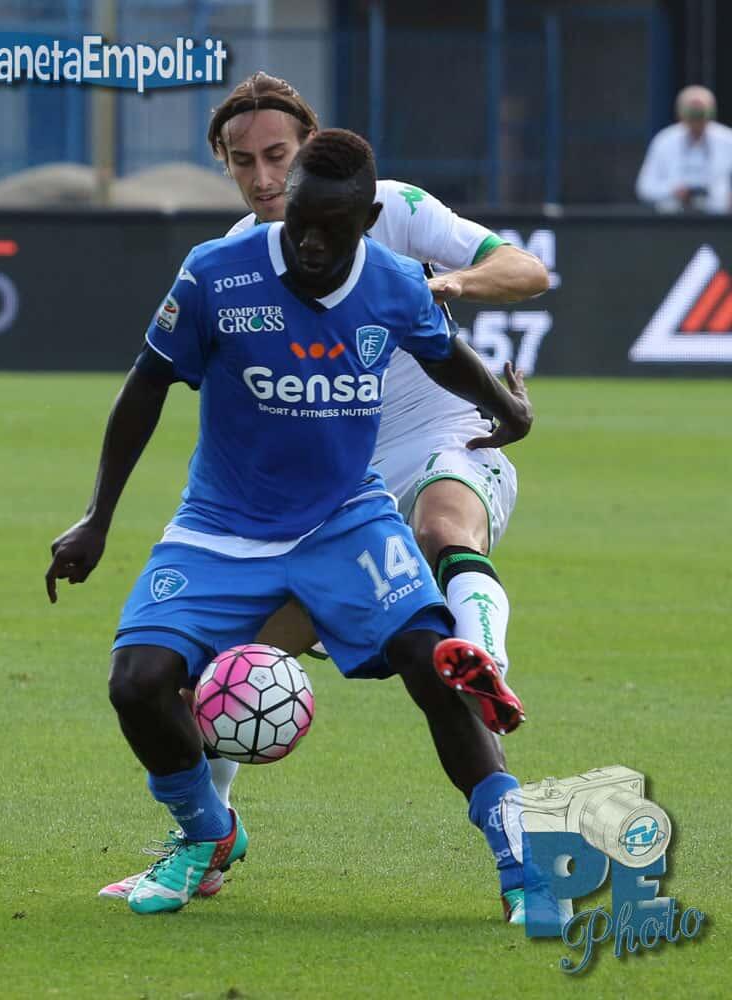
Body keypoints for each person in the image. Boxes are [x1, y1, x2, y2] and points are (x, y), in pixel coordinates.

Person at [98, 72, 549, 924]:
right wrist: (98, 517)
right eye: (245, 164)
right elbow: (149, 380)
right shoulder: (224, 264)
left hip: (404, 468)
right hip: (260, 511)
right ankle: (207, 839)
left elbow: (515, 282)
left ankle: (512, 806)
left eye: (277, 156)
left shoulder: (397, 225)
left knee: (437, 597)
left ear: (312, 154)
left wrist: (459, 321)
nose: (265, 179)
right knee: (205, 682)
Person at [636, 84, 732, 214]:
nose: (697, 121)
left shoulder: (728, 140)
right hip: (675, 220)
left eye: (701, 114)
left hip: (718, 219)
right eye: (692, 114)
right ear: (680, 113)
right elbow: (644, 188)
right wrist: (674, 191)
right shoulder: (664, 140)